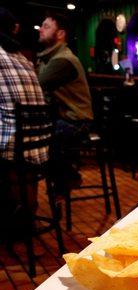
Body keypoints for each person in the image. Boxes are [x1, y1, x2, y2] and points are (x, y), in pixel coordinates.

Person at [36, 12, 94, 193]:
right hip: (66, 119)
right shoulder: (50, 58)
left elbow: (37, 86)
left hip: (77, 121)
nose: (40, 29)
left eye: (46, 26)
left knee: (44, 139)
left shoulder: (63, 60)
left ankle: (65, 182)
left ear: (60, 34)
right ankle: (64, 179)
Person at [0, 7, 48, 220]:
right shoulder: (24, 59)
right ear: (15, 29)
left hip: (13, 149)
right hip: (39, 147)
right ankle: (24, 211)